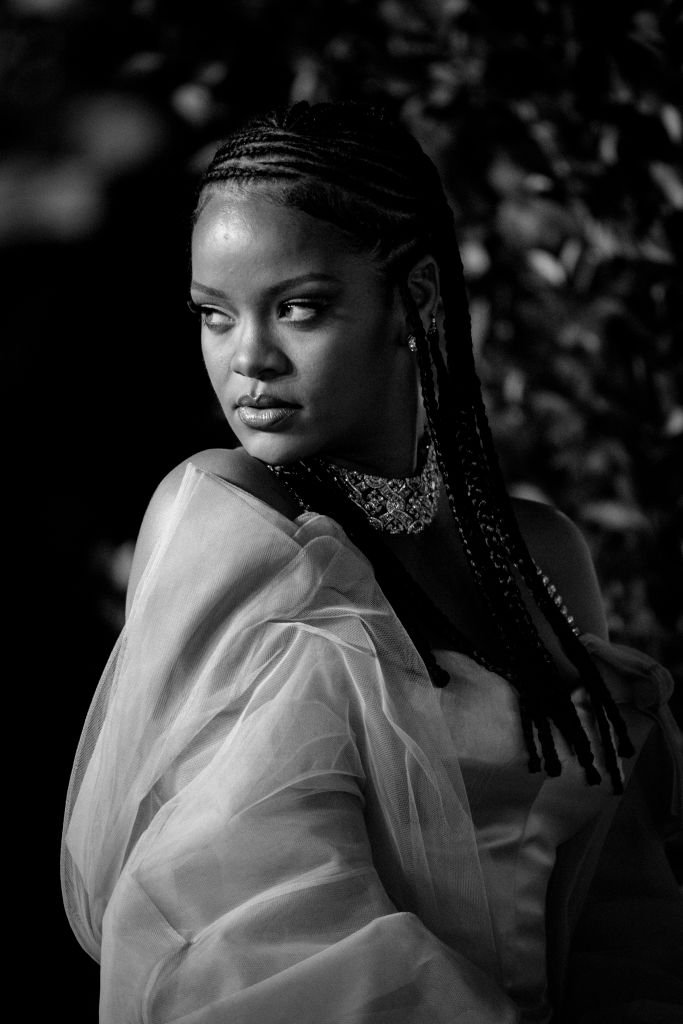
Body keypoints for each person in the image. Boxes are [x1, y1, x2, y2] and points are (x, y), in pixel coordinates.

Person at [61, 101, 682, 1024]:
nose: (249, 360)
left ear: (418, 296)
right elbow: (247, 922)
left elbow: (619, 913)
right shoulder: (232, 513)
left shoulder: (544, 557)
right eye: (214, 316)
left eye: (298, 307)